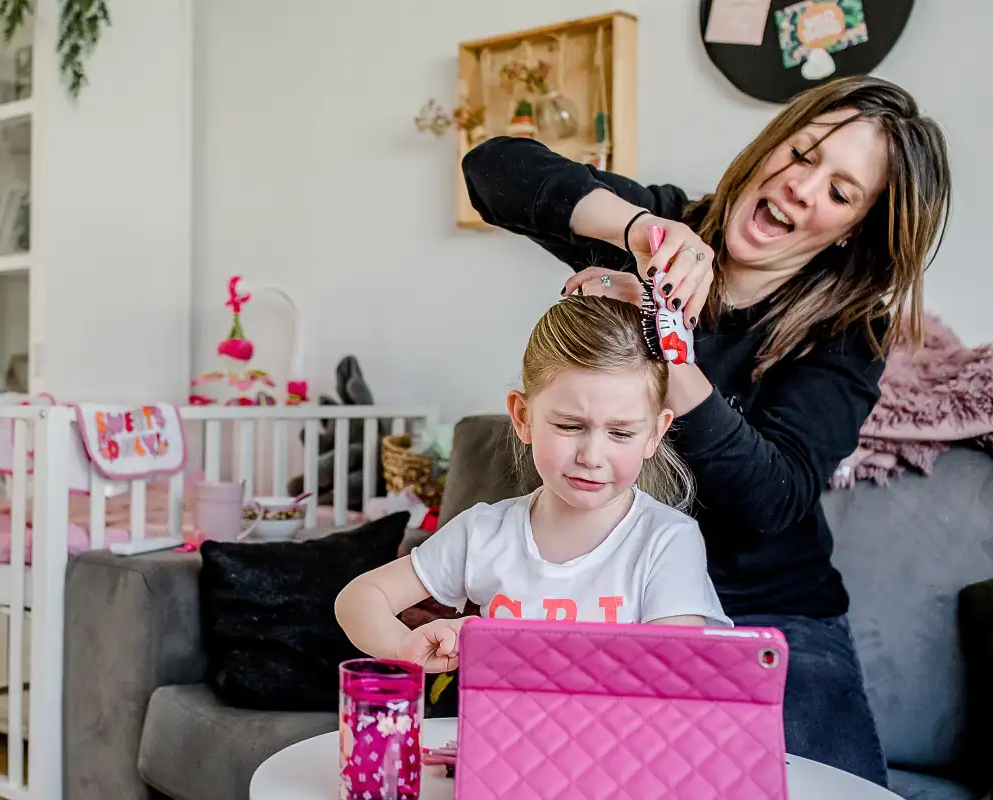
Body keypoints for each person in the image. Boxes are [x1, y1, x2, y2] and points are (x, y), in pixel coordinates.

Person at [460, 74, 952, 788]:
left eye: (842, 193)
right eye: (804, 153)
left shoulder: (849, 333)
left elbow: (772, 497)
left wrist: (667, 337)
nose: (801, 188)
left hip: (772, 618)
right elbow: (491, 170)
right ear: (774, 143)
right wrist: (638, 233)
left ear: (855, 230)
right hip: (609, 599)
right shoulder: (660, 226)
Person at [336, 294, 732, 675]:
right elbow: (359, 599)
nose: (591, 456)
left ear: (655, 434)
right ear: (523, 416)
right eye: (569, 426)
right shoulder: (484, 533)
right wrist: (404, 647)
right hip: (503, 740)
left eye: (621, 433)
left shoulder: (667, 541)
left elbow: (671, 674)